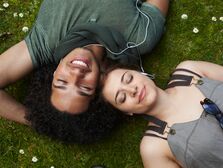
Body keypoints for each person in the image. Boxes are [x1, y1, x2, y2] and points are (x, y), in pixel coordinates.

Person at [0, 0, 169, 126]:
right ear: (98, 85)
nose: (76, 75)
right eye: (84, 88)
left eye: (62, 82)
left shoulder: (44, 43)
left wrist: (35, 120)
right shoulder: (138, 39)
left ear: (53, 74)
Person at [101, 60, 223, 168]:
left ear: (138, 72)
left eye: (129, 79)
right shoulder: (153, 148)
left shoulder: (189, 70)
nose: (132, 90)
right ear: (126, 112)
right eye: (122, 98)